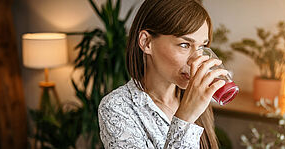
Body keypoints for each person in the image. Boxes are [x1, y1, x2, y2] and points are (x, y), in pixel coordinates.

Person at [98, 0, 228, 148]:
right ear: (146, 42)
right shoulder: (117, 108)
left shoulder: (194, 97)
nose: (196, 60)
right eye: (184, 45)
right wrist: (185, 119)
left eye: (203, 46)